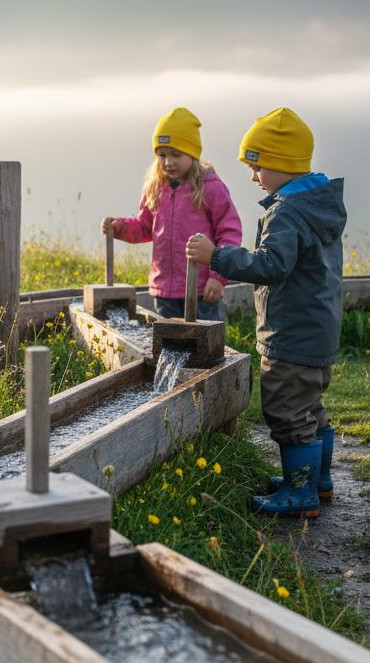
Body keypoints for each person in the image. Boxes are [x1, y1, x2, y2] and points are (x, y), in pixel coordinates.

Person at [185, 107, 345, 517]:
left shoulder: (287, 212)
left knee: (288, 411)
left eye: (257, 167)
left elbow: (271, 266)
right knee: (310, 408)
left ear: (281, 164)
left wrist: (215, 256)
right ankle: (316, 480)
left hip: (291, 333)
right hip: (317, 330)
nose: (253, 177)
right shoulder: (316, 203)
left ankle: (300, 493)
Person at [103, 107, 242, 321]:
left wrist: (218, 277)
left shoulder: (210, 187)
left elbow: (229, 233)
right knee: (169, 342)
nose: (168, 162)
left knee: (205, 347)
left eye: (176, 155)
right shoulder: (156, 187)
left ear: (193, 154)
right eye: (162, 155)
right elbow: (145, 227)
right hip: (165, 290)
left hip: (201, 288)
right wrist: (119, 227)